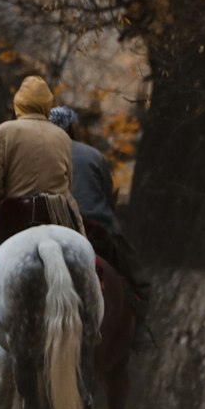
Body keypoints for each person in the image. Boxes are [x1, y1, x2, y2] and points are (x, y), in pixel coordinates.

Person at [0, 75, 85, 348]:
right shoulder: (62, 137)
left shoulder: (4, 132)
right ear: (46, 105)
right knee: (88, 255)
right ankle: (88, 316)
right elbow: (68, 183)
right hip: (57, 212)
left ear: (19, 105)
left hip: (14, 213)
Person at [48, 105, 151, 349]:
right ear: (73, 127)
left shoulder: (38, 159)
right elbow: (106, 195)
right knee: (138, 278)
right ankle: (139, 331)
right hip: (95, 228)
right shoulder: (94, 156)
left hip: (54, 228)